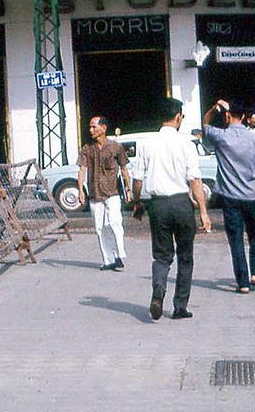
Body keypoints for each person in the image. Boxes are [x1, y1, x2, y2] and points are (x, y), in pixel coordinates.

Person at [130, 98, 211, 321]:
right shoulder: (187, 143)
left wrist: (137, 202)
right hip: (182, 205)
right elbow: (194, 179)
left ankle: (158, 290)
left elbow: (138, 178)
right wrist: (203, 212)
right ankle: (180, 306)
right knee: (186, 256)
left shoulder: (146, 143)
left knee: (161, 256)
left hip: (158, 206)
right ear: (177, 117)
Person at [202, 100, 255, 293]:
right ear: (245, 118)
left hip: (230, 196)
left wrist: (214, 108)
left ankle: (242, 283)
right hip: (253, 195)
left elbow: (205, 123)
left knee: (236, 238)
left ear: (226, 116)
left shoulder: (220, 137)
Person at [77, 116, 130, 271]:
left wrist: (128, 188)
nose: (91, 130)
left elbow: (124, 169)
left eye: (94, 127)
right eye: (90, 127)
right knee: (99, 228)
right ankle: (108, 260)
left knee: (114, 222)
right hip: (95, 194)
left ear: (103, 128)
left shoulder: (116, 147)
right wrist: (80, 190)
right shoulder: (87, 148)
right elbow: (82, 169)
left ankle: (119, 254)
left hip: (112, 193)